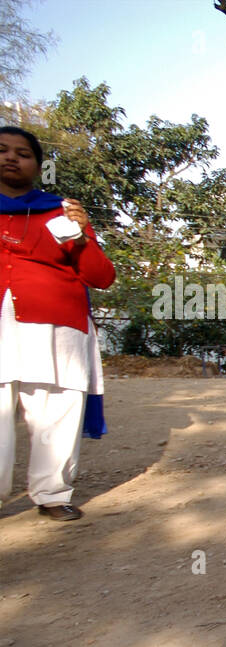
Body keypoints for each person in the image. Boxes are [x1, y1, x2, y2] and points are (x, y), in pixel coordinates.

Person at [0, 126, 114, 521]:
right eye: (2, 150)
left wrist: (82, 237)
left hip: (58, 325)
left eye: (23, 153)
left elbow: (101, 277)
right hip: (2, 321)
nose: (11, 157)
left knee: (55, 409)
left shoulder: (59, 211)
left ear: (37, 165)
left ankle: (52, 494)